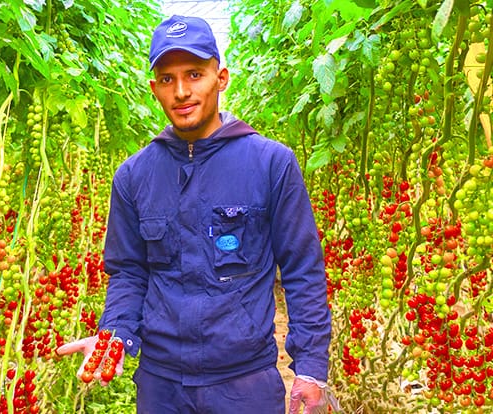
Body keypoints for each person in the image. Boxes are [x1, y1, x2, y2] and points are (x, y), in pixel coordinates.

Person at [57, 15, 336, 414]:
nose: (182, 91)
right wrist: (115, 334)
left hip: (244, 383)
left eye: (194, 74)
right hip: (160, 384)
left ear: (220, 78)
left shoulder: (271, 163)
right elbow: (129, 271)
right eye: (167, 79)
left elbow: (302, 269)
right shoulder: (134, 175)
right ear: (154, 89)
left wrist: (310, 368)